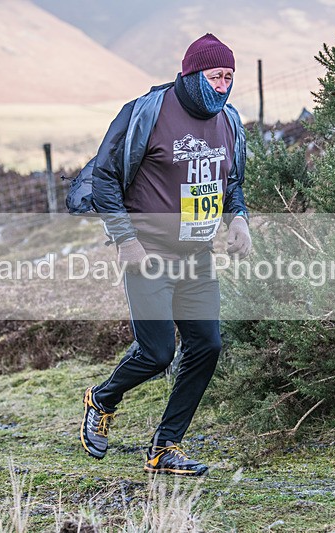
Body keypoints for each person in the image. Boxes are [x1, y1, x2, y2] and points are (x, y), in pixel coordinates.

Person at [79, 33, 252, 476]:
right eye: (215, 76)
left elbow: (231, 183)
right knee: (156, 354)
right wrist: (126, 240)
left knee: (207, 345)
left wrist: (238, 219)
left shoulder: (230, 121)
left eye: (229, 76)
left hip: (198, 256)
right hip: (148, 252)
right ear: (192, 74)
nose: (223, 85)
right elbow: (104, 178)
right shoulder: (147, 113)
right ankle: (102, 398)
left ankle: (164, 448)